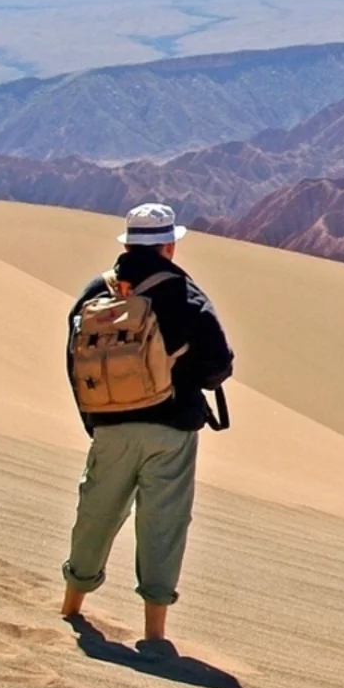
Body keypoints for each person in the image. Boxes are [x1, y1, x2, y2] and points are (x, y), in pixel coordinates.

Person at [59, 202, 233, 644]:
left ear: (129, 243)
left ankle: (71, 606)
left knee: (96, 513)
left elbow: (75, 359)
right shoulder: (185, 295)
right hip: (170, 431)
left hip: (110, 426)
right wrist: (180, 377)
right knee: (163, 523)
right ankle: (154, 634)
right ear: (168, 247)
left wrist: (96, 418)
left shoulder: (98, 291)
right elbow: (219, 365)